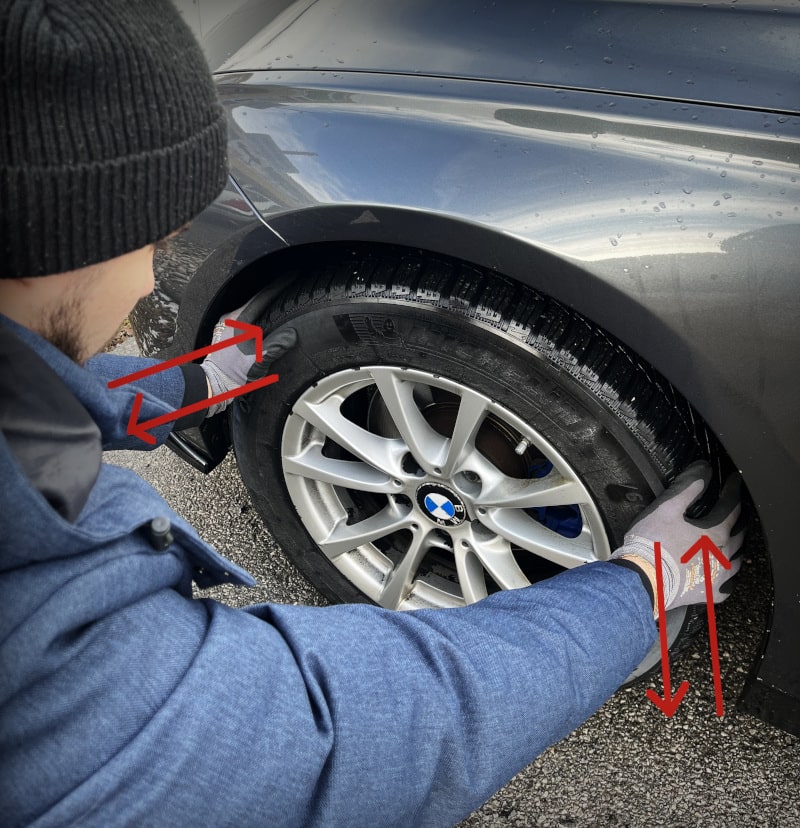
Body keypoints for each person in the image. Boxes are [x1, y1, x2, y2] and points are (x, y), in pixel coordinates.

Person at [0, 2, 743, 826]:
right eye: (145, 243)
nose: (147, 282)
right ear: (49, 244)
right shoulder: (40, 664)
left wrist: (188, 387)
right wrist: (637, 591)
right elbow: (365, 735)